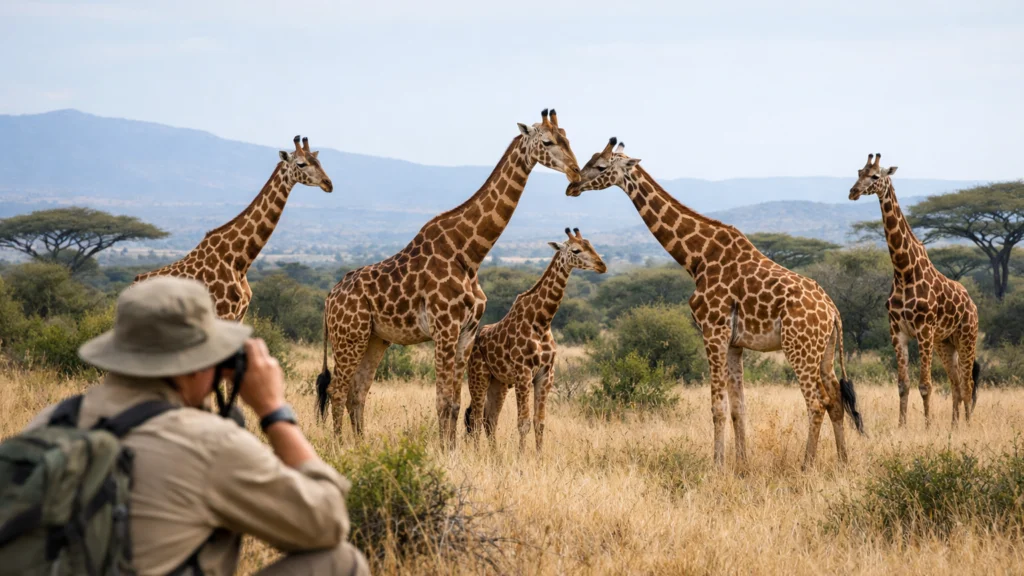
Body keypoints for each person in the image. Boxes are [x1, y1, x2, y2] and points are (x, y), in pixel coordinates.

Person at [24, 276, 369, 576]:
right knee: (341, 561)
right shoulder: (208, 443)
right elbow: (328, 523)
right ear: (195, 365)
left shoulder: (49, 421)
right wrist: (273, 409)